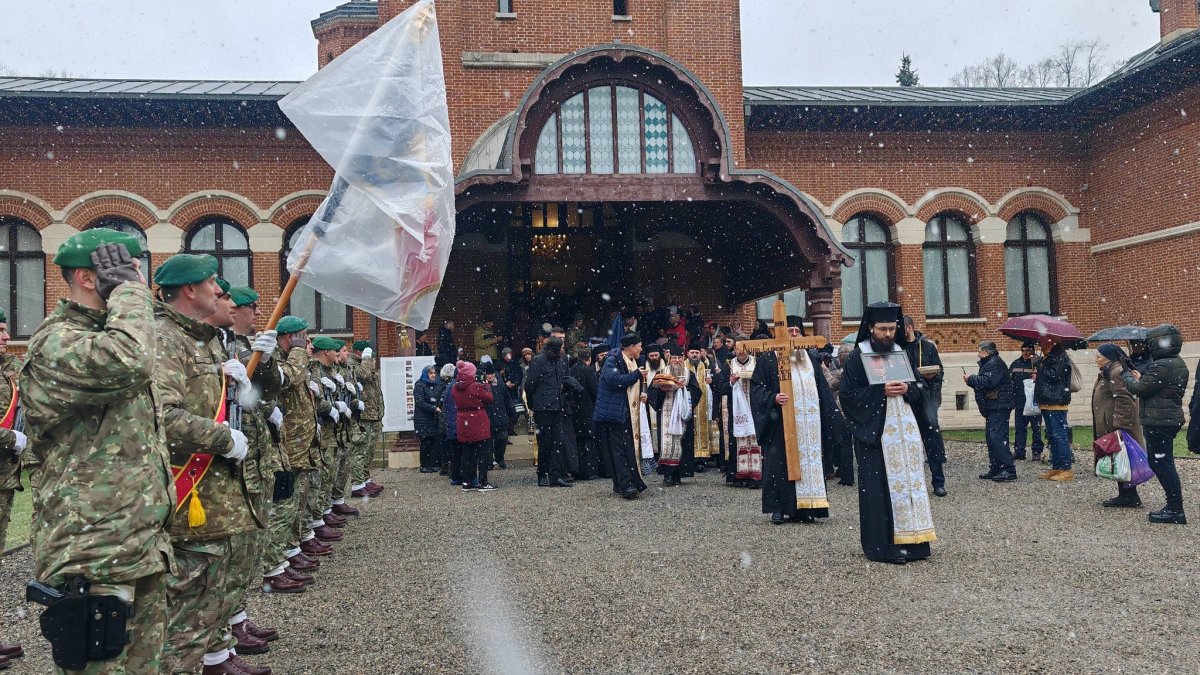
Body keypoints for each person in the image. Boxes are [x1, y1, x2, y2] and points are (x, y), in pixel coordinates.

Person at [19, 232, 169, 673]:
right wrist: (129, 294)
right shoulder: (57, 342)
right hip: (93, 547)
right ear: (89, 278)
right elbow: (130, 362)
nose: (138, 284)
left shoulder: (119, 332)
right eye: (127, 274)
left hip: (137, 542)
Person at [152, 253, 260, 674]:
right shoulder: (165, 339)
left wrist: (241, 389)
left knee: (207, 609)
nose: (220, 292)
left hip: (214, 498)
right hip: (186, 494)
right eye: (212, 283)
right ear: (188, 290)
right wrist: (222, 438)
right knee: (185, 622)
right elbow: (163, 414)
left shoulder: (203, 339)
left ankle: (212, 660)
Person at [220, 286, 289, 657]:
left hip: (253, 455)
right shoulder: (223, 347)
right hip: (229, 461)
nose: (251, 314)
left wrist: (265, 359)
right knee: (233, 549)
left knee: (247, 546)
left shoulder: (243, 345)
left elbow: (269, 386)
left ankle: (237, 619)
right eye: (249, 308)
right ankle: (225, 633)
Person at [839, 302, 937, 565]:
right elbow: (847, 397)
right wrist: (879, 392)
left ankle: (915, 543)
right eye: (882, 329)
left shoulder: (901, 354)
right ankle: (884, 547)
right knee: (880, 490)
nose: (887, 334)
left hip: (905, 435)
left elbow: (921, 391)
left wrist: (909, 390)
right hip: (876, 435)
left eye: (891, 329)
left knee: (910, 485)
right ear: (870, 328)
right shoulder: (858, 357)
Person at [750, 316, 835, 524]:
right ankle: (778, 507)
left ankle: (806, 507)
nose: (795, 334)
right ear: (781, 333)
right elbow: (756, 389)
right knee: (779, 464)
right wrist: (772, 398)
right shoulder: (769, 359)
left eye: (798, 330)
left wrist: (830, 418)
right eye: (791, 330)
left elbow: (823, 391)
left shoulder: (810, 358)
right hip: (780, 422)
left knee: (808, 463)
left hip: (809, 425)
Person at [272, 317, 329, 566]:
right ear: (288, 338)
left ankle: (295, 546)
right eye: (302, 337)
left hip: (302, 443)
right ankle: (282, 557)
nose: (308, 342)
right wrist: (297, 352)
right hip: (287, 444)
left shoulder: (296, 359)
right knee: (286, 506)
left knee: (300, 499)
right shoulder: (276, 358)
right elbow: (289, 380)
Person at [1121, 324, 1189, 524]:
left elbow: (1139, 389)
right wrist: (1141, 377)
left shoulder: (1162, 365)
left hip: (1160, 420)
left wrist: (1125, 374)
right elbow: (1155, 387)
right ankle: (1174, 507)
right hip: (1166, 419)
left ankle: (1175, 509)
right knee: (1161, 462)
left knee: (1162, 463)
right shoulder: (1176, 362)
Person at [593, 333, 650, 499]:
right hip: (614, 413)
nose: (641, 349)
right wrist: (636, 375)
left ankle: (626, 482)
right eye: (639, 345)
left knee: (627, 449)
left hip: (623, 411)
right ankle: (626, 485)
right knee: (620, 450)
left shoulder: (631, 360)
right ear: (631, 347)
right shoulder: (612, 360)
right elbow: (615, 380)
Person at [1091, 343, 1145, 508]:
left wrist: (1120, 425)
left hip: (1118, 425)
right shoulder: (1109, 371)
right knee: (1120, 458)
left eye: (1099, 357)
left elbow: (1125, 398)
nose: (1096, 359)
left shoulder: (1116, 372)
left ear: (1109, 358)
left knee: (1124, 458)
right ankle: (1126, 494)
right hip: (1112, 423)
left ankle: (1129, 496)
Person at [902, 316, 947, 497]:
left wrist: (933, 400)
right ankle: (911, 483)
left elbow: (939, 372)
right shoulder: (899, 349)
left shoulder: (927, 347)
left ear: (910, 328)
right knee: (907, 442)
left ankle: (938, 482)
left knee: (932, 442)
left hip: (927, 400)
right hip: (907, 399)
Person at [524, 326, 572, 487]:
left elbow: (565, 379)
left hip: (557, 406)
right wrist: (532, 405)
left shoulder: (562, 359)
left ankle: (555, 475)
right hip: (543, 407)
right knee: (545, 442)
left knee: (558, 441)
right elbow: (530, 385)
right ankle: (542, 473)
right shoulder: (539, 360)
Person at [649, 345, 702, 486]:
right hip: (666, 413)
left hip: (682, 414)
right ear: (669, 358)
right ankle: (667, 474)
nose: (676, 360)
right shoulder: (661, 373)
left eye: (679, 358)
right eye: (674, 358)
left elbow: (697, 392)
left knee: (681, 442)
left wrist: (684, 388)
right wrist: (662, 390)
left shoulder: (689, 374)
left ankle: (678, 474)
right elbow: (651, 393)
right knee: (666, 443)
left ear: (683, 358)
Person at [964, 340, 1017, 482]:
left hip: (999, 405)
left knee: (997, 438)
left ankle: (1008, 469)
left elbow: (988, 382)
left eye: (980, 351)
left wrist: (971, 379)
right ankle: (996, 467)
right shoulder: (991, 363)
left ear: (986, 352)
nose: (978, 354)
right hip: (994, 406)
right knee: (992, 438)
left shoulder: (994, 363)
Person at [0, 307, 24, 566]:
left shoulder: (8, 370)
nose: (7, 337)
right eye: (0, 331)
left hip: (4, 478)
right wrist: (11, 438)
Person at [1034, 340, 1076, 481]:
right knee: (1052, 436)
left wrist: (1039, 366)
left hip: (1056, 401)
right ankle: (1056, 467)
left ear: (1052, 344)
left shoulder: (1060, 357)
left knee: (1059, 435)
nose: (1041, 345)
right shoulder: (1049, 357)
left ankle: (1066, 469)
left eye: (1044, 343)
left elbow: (1054, 375)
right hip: (1047, 401)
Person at [349, 341, 385, 499]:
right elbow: (362, 375)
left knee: (369, 451)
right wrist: (366, 360)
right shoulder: (352, 365)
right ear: (359, 352)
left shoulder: (365, 364)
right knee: (360, 452)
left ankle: (365, 478)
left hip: (372, 415)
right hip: (362, 416)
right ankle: (357, 484)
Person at [452, 360, 493, 492]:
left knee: (467, 453)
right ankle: (483, 481)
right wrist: (486, 386)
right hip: (478, 420)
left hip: (463, 421)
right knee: (483, 452)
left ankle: (467, 481)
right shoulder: (476, 386)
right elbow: (489, 398)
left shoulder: (454, 387)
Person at [725, 340, 762, 488]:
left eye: (744, 348)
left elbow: (764, 382)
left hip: (754, 406)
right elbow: (720, 386)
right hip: (737, 408)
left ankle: (755, 476)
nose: (741, 351)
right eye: (738, 348)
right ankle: (739, 475)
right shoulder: (729, 364)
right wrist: (731, 382)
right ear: (734, 349)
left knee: (755, 439)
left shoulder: (757, 362)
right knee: (738, 439)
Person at [570, 345, 601, 479]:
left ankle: (579, 470)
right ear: (589, 359)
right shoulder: (589, 371)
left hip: (575, 408)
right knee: (589, 441)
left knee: (578, 441)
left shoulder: (571, 370)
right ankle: (590, 470)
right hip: (588, 409)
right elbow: (595, 391)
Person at [1009, 342, 1043, 462]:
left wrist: (1037, 376)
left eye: (1028, 350)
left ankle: (1036, 451)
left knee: (1036, 428)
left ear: (1033, 351)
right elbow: (1010, 381)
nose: (1025, 353)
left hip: (1034, 401)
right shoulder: (1015, 363)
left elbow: (1046, 380)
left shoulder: (1038, 363)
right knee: (1020, 428)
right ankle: (1019, 451)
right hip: (1020, 401)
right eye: (1023, 350)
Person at [483, 360, 516, 474]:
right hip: (487, 418)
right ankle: (489, 461)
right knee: (488, 443)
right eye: (488, 374)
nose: (491, 376)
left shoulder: (500, 385)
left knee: (501, 440)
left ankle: (499, 458)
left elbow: (507, 400)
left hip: (500, 417)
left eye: (492, 374)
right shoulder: (482, 386)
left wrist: (512, 412)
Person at [414, 365, 441, 472]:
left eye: (434, 373)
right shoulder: (419, 385)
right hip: (423, 419)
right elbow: (420, 402)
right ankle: (424, 465)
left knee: (434, 442)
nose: (433, 375)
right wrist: (433, 408)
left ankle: (432, 463)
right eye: (430, 373)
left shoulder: (436, 385)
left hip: (433, 419)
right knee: (425, 443)